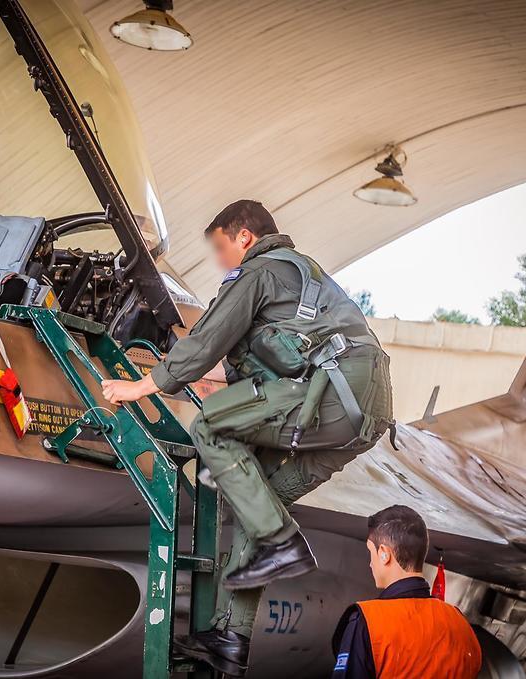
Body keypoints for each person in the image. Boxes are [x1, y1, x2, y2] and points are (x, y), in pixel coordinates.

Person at [101, 199, 394, 677]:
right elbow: (247, 359)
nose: (219, 260)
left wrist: (142, 385)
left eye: (221, 247)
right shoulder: (304, 276)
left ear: (244, 237)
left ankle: (281, 544)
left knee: (210, 427)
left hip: (334, 395)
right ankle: (231, 639)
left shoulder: (258, 272)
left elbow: (206, 342)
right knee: (262, 503)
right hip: (365, 411)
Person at [331, 505, 482, 679]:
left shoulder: (369, 622)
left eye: (370, 551)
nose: (370, 563)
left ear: (384, 554)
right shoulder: (459, 623)